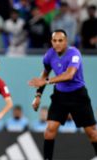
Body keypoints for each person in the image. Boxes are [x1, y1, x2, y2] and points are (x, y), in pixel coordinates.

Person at [29, 29, 97, 160]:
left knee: (92, 133)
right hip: (60, 96)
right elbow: (44, 75)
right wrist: (37, 96)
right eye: (54, 41)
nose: (57, 43)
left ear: (66, 41)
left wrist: (47, 81)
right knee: (49, 130)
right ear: (51, 42)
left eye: (60, 40)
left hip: (78, 96)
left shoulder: (74, 53)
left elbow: (69, 75)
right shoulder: (49, 55)